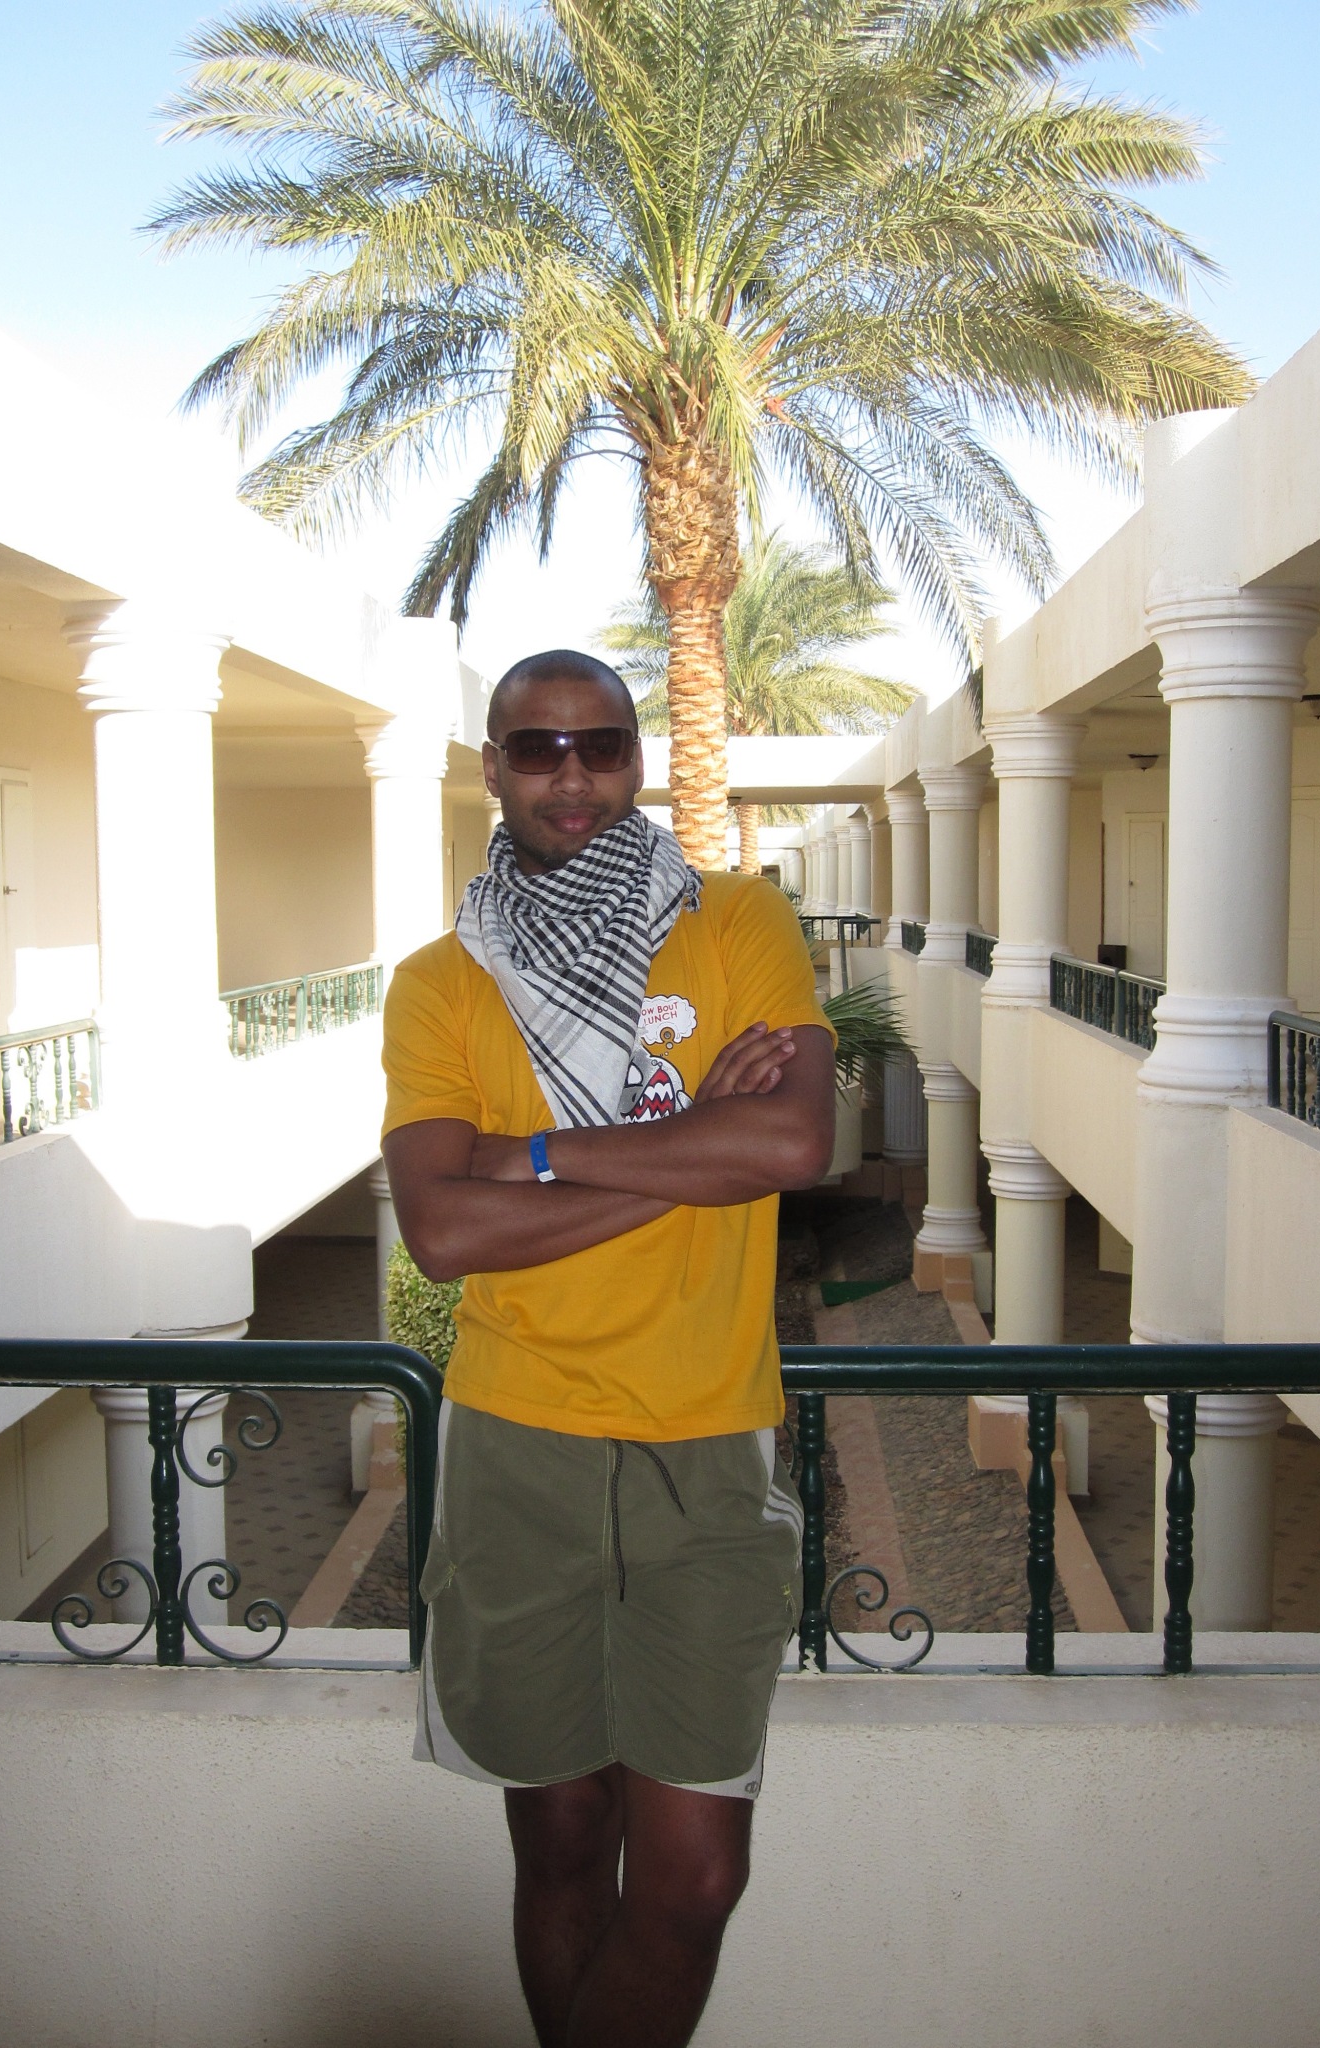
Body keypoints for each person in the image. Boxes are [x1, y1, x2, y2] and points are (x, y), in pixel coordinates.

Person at [380, 648, 836, 2048]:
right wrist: (690, 1148)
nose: (571, 775)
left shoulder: (739, 919)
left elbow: (793, 1142)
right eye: (537, 747)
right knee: (564, 1840)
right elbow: (443, 1231)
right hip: (518, 1446)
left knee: (694, 1879)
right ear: (493, 769)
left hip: (709, 1447)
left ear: (638, 759)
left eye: (602, 745)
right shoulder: (442, 983)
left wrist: (528, 1156)